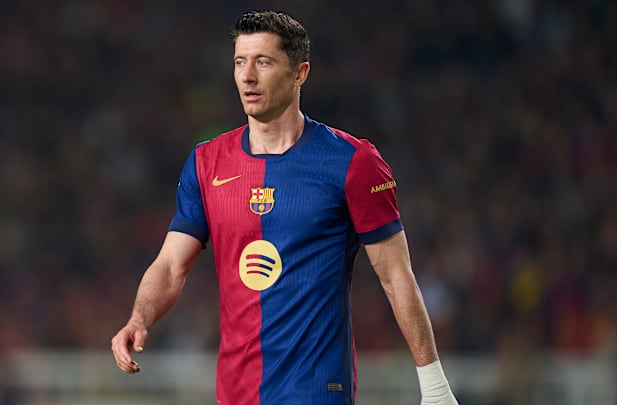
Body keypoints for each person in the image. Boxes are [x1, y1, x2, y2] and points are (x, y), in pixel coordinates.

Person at [111, 10, 458, 405]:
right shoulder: (207, 163)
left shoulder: (353, 162)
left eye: (263, 62)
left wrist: (434, 386)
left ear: (299, 73)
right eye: (240, 62)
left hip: (316, 391)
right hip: (235, 394)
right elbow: (171, 266)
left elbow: (396, 276)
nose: (247, 76)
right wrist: (139, 317)